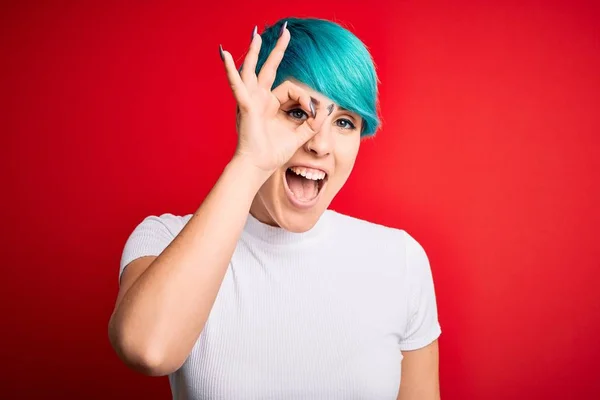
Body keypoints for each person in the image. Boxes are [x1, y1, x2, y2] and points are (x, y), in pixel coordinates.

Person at [108, 17, 442, 400]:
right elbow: (147, 349)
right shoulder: (164, 239)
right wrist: (251, 160)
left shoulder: (399, 259)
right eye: (297, 112)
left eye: (345, 121)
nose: (320, 144)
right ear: (245, 116)